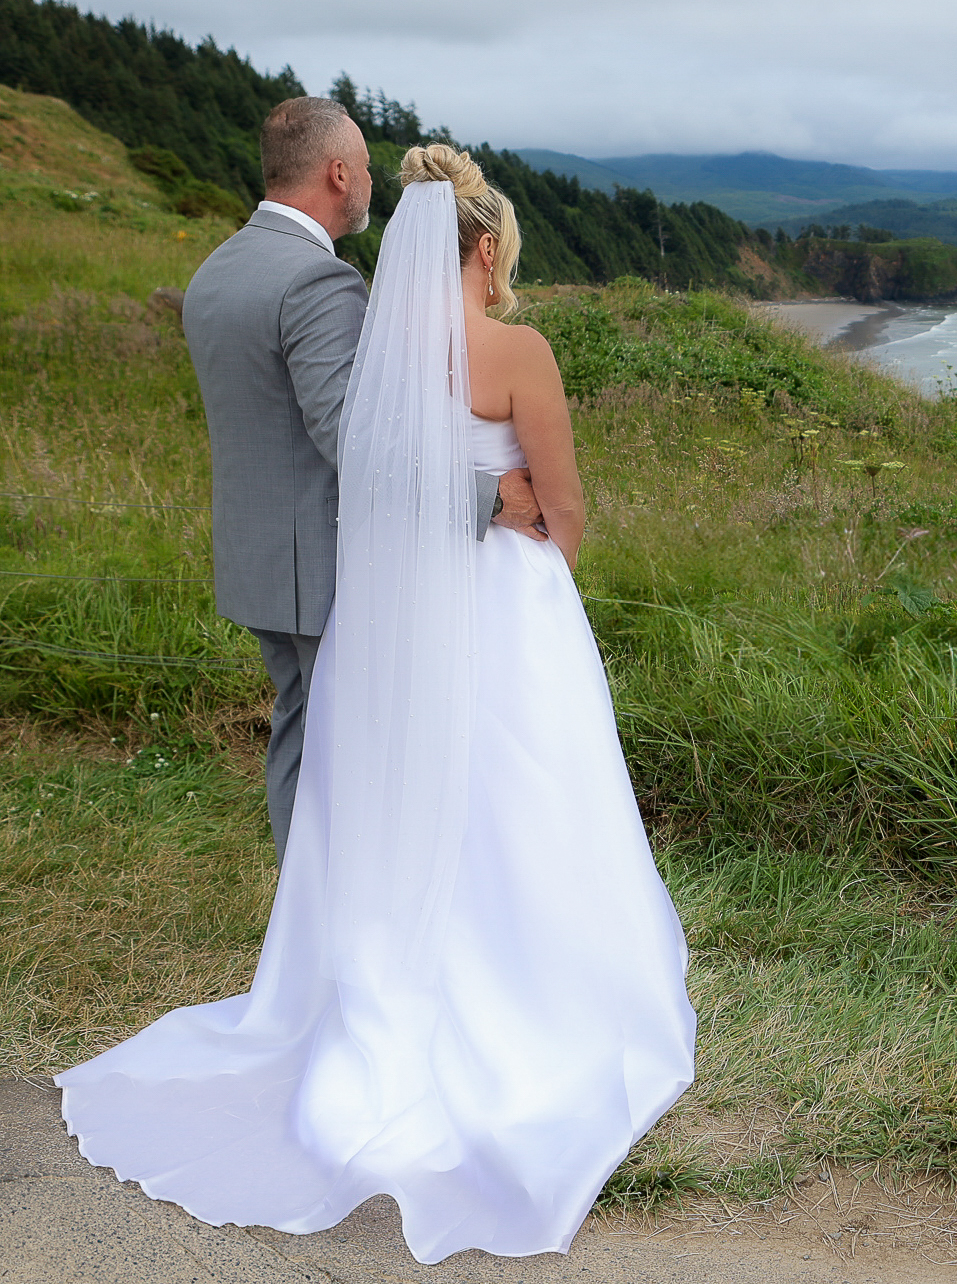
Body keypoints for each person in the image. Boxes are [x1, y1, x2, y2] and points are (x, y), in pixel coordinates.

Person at [56, 147, 697, 1263]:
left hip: (390, 616)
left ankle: (383, 993)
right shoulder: (515, 348)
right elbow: (563, 500)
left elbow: (364, 472)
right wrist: (556, 572)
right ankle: (544, 996)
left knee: (398, 797)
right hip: (505, 602)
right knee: (527, 797)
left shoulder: (380, 348)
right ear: (486, 246)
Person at [179, 96, 540, 863]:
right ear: (338, 173)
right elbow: (357, 436)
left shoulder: (217, 268)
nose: (374, 184)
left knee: (303, 729)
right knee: (344, 748)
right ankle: (327, 929)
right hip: (319, 563)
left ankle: (305, 924)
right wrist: (486, 497)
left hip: (258, 559)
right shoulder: (319, 281)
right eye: (368, 169)